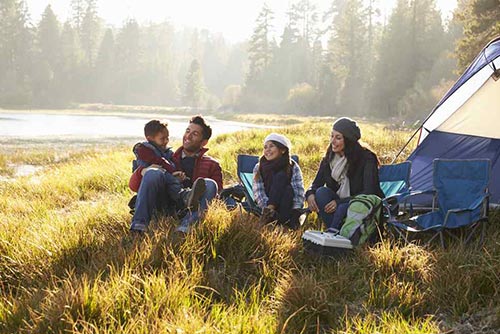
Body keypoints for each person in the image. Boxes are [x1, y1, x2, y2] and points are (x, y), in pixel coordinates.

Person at [130, 115, 223, 234]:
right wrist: (143, 171)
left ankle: (185, 228)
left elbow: (217, 197)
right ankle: (139, 227)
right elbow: (133, 186)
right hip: (163, 202)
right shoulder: (167, 156)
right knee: (153, 173)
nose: (188, 136)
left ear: (203, 142)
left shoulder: (212, 164)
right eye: (187, 131)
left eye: (195, 134)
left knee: (210, 184)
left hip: (190, 210)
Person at [305, 117, 384, 231]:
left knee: (342, 207)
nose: (332, 141)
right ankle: (337, 230)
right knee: (321, 192)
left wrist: (340, 202)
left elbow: (370, 191)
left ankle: (336, 232)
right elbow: (316, 183)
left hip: (360, 204)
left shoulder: (366, 158)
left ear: (348, 140)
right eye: (331, 136)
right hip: (338, 205)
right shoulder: (329, 157)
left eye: (338, 138)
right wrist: (310, 194)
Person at [253, 133, 305, 229]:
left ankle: (275, 219)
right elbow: (258, 192)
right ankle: (280, 220)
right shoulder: (259, 167)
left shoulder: (292, 166)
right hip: (267, 202)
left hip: (287, 203)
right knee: (281, 179)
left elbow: (298, 191)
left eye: (271, 146)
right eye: (265, 147)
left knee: (287, 188)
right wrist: (267, 207)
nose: (267, 150)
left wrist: (296, 209)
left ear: (283, 150)